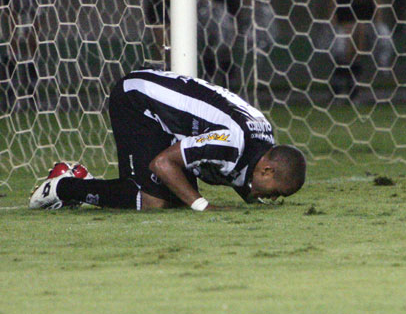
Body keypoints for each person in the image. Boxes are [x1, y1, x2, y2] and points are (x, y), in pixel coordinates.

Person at [29, 69, 306, 211]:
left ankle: (78, 176)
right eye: (276, 192)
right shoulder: (232, 142)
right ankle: (62, 188)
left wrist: (251, 197)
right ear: (267, 170)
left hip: (172, 120)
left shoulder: (261, 141)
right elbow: (163, 163)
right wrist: (202, 206)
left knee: (175, 196)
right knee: (154, 201)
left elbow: (240, 172)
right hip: (138, 101)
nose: (273, 198)